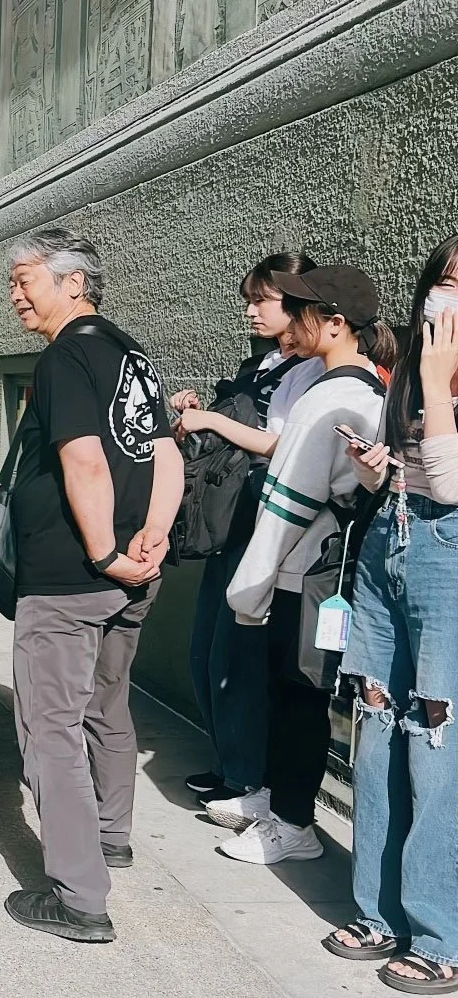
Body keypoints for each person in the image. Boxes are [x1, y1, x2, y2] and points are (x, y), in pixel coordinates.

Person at [0, 228, 181, 944]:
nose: (16, 296)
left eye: (24, 280)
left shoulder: (65, 356)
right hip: (133, 573)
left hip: (74, 578)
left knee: (52, 730)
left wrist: (106, 551)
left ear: (72, 283)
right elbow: (165, 453)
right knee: (107, 708)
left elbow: (84, 461)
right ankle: (111, 835)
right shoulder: (132, 353)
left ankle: (78, 897)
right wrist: (154, 537)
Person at [216, 264, 393, 864]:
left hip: (306, 568)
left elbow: (288, 503)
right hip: (322, 568)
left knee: (299, 695)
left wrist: (252, 587)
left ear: (336, 325)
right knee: (296, 693)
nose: (289, 319)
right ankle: (279, 804)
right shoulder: (360, 388)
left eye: (301, 309)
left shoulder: (335, 396)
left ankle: (293, 824)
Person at [325, 236, 458, 992]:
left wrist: (439, 382)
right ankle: (380, 913)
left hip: (450, 556)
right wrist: (375, 466)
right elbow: (406, 465)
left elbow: (454, 479)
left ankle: (441, 932)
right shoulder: (411, 363)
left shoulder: (432, 370)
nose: (446, 298)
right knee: (374, 728)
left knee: (436, 744)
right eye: (440, 282)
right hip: (389, 539)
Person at [169, 253, 323, 807]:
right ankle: (232, 765)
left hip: (266, 524)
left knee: (237, 656)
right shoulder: (263, 363)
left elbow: (286, 445)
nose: (252, 311)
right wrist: (201, 410)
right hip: (229, 520)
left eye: (263, 300)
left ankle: (247, 776)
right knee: (207, 652)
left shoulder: (313, 369)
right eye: (250, 300)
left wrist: (213, 420)